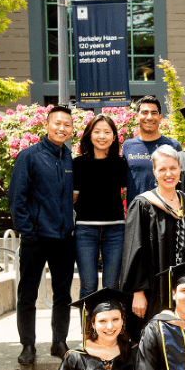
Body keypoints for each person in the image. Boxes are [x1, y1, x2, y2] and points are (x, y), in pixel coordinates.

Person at [9, 104, 76, 364]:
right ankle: (28, 345)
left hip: (63, 239)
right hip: (36, 239)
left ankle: (59, 342)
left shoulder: (70, 159)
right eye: (57, 123)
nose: (62, 128)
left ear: (72, 129)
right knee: (27, 294)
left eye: (67, 125)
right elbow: (17, 199)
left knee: (63, 294)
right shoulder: (30, 156)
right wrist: (29, 232)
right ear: (46, 125)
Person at [120, 145, 185, 340]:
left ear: (180, 169)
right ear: (154, 171)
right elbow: (134, 250)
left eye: (173, 168)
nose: (168, 174)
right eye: (162, 169)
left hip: (183, 290)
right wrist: (137, 292)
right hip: (153, 290)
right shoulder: (143, 204)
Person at [73, 114, 128, 299]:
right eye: (97, 132)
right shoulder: (79, 164)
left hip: (115, 230)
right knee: (88, 287)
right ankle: (87, 329)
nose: (102, 136)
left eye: (107, 132)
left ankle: (113, 328)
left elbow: (130, 195)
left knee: (112, 287)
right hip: (85, 231)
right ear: (89, 135)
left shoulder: (120, 163)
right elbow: (73, 198)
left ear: (114, 137)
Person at [123, 96, 181, 204]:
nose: (149, 117)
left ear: (160, 117)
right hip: (137, 212)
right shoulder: (128, 146)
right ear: (137, 116)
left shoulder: (173, 145)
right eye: (145, 112)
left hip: (167, 211)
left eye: (154, 113)